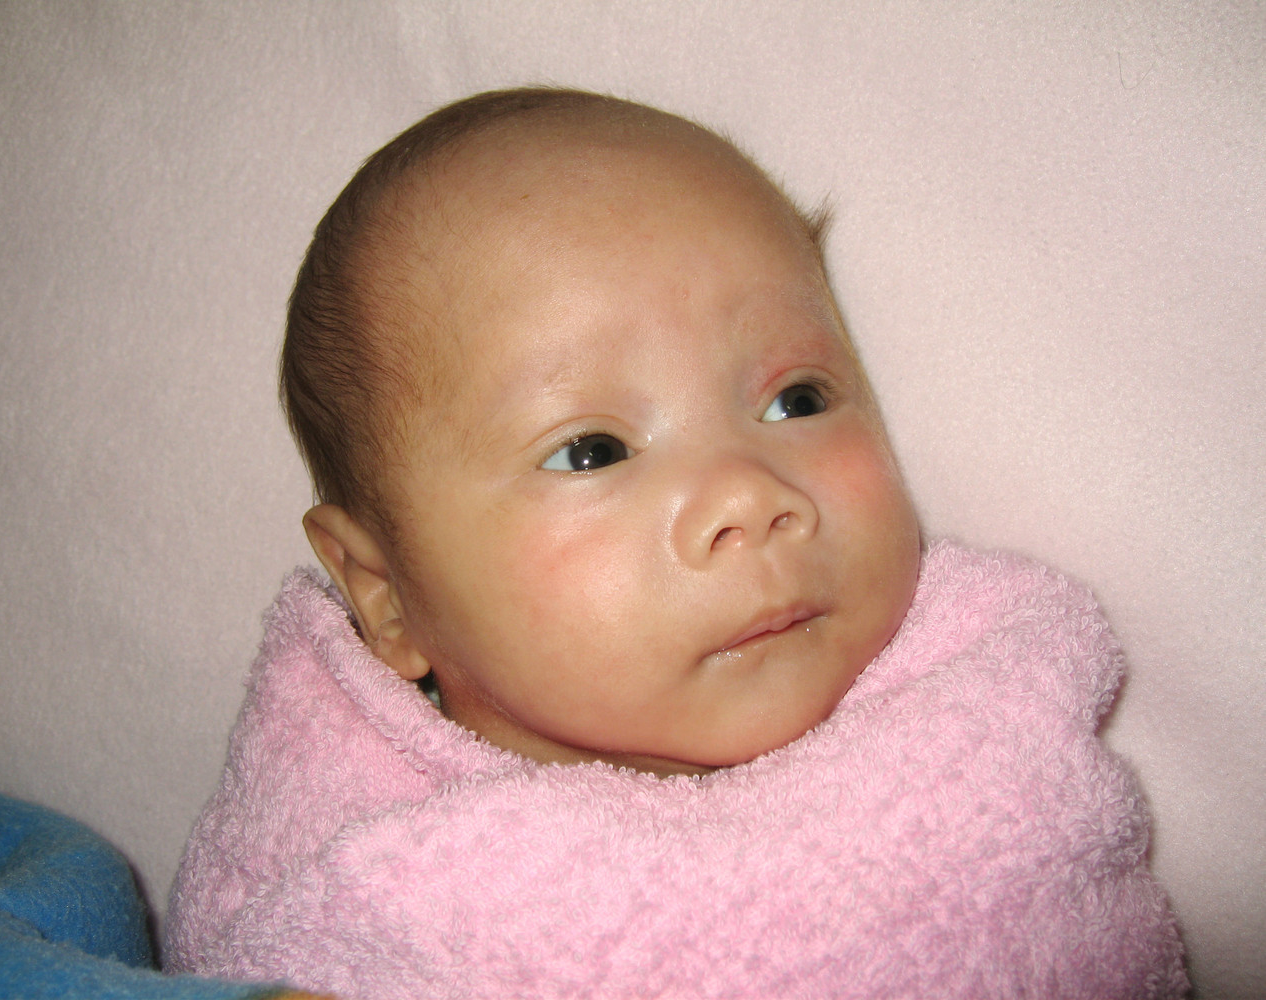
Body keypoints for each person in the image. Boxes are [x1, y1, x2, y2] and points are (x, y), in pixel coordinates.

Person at [165, 88, 1186, 998]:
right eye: (592, 450)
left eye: (796, 398)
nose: (748, 491)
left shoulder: (976, 695)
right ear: (386, 597)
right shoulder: (354, 868)